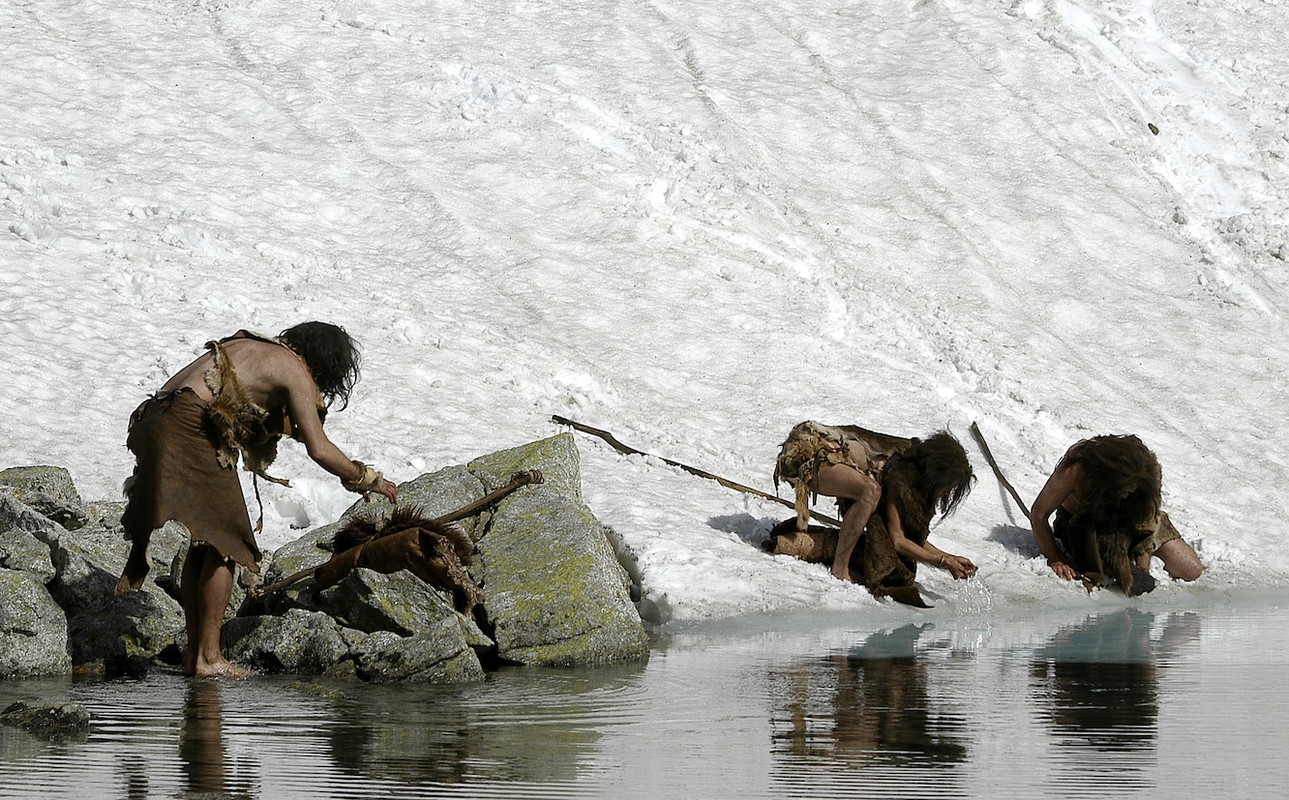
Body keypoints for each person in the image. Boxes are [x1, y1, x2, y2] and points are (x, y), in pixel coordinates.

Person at [117, 323, 398, 678]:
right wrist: (366, 478)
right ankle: (209, 658)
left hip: (155, 415)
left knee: (206, 542)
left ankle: (195, 657)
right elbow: (319, 448)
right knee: (229, 542)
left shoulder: (253, 347)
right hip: (189, 421)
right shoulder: (294, 368)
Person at [771, 421, 977, 592]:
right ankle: (840, 569)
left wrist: (949, 558)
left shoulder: (912, 470)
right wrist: (942, 562)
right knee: (870, 491)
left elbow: (909, 538)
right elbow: (898, 541)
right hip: (806, 452)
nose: (946, 493)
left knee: (870, 490)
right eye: (948, 487)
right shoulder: (902, 475)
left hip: (817, 444)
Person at [1029, 434, 1203, 595]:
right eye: (1124, 490)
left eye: (1132, 491)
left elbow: (1146, 523)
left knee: (1190, 569)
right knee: (1108, 572)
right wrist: (1055, 559)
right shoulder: (1076, 469)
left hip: (1130, 523)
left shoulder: (1147, 473)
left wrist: (1143, 568)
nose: (1127, 494)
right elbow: (1039, 513)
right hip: (1084, 526)